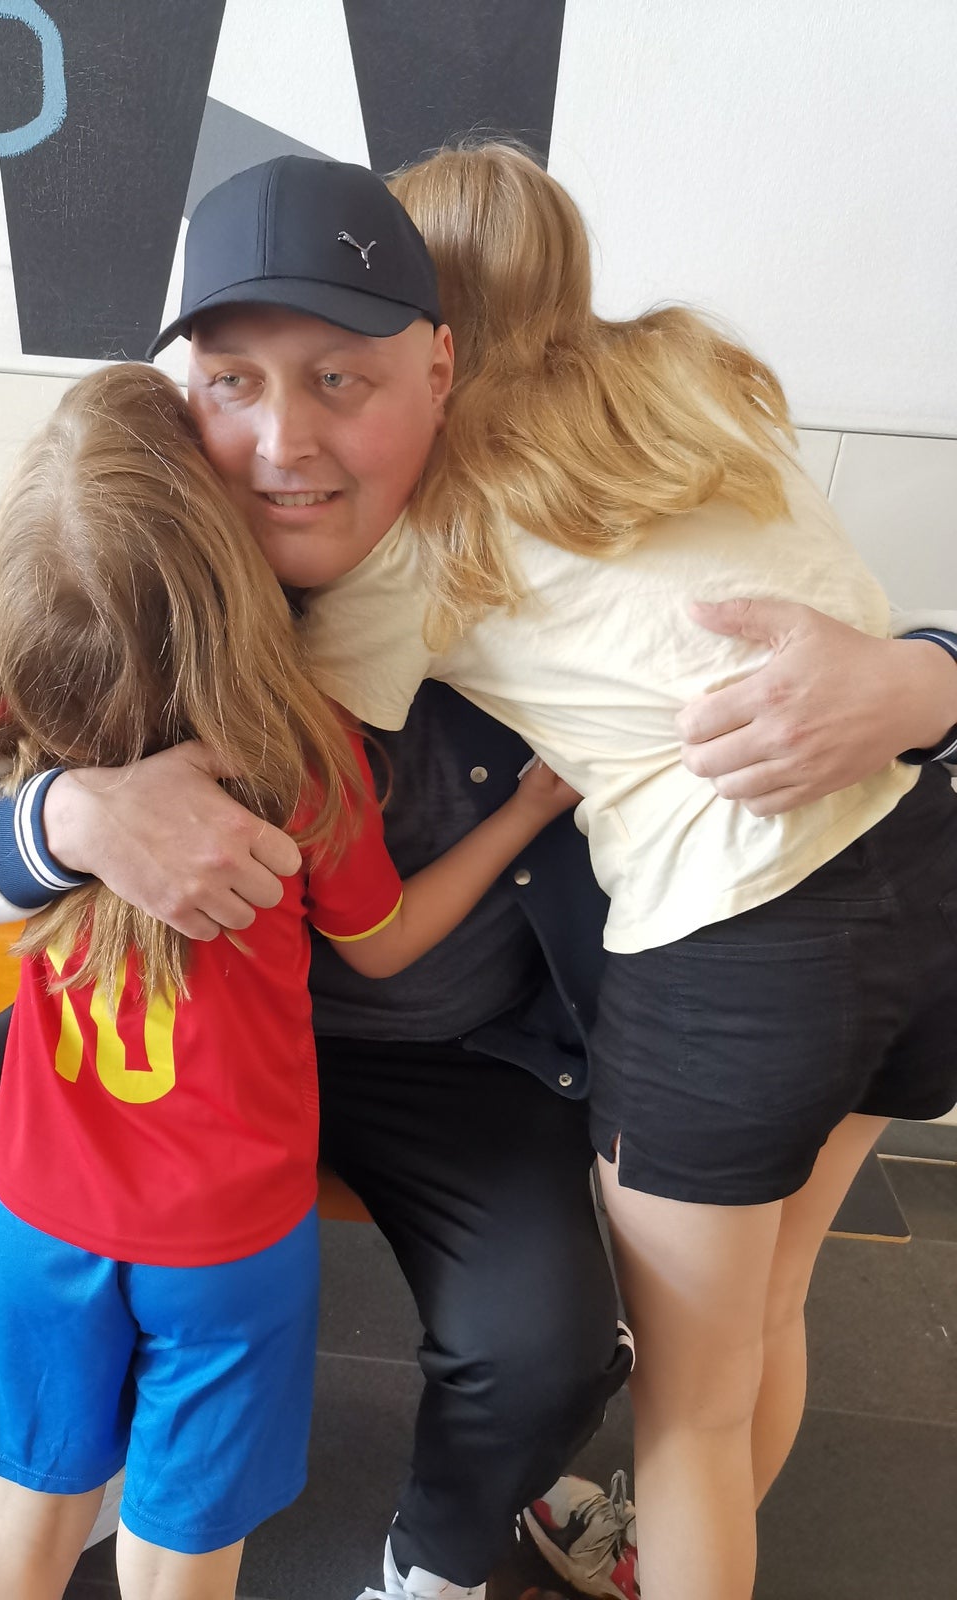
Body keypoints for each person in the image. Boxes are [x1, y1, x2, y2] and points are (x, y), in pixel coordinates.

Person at [0, 155, 957, 1600]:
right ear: (187, 392)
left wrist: (927, 678)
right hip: (169, 1017)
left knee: (549, 1342)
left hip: (463, 1054)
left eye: (340, 382)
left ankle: (435, 1563)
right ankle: (70, 1455)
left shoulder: (547, 519)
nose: (280, 440)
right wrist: (72, 815)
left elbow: (800, 636)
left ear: (446, 370)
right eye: (234, 384)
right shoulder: (156, 555)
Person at [294, 141, 957, 1600]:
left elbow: (291, 695)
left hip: (740, 958)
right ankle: (653, 1560)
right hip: (924, 870)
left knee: (690, 1412)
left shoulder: (428, 521)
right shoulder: (702, 375)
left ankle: (679, 1552)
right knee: (774, 1306)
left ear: (429, 328)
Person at [0, 359, 582, 1600]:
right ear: (233, 559)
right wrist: (520, 817)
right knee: (180, 1556)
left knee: (21, 1529)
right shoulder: (307, 750)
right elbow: (387, 945)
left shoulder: (16, 698)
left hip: (34, 1210)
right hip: (226, 1236)